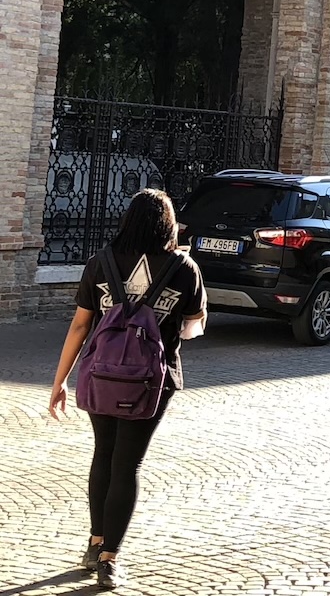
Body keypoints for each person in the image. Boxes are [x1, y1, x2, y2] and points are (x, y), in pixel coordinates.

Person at [49, 188, 207, 591]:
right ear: (168, 225)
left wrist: (60, 380)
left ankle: (95, 542)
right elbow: (194, 326)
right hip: (153, 380)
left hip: (101, 375)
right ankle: (110, 559)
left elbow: (80, 325)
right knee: (127, 464)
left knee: (103, 454)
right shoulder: (184, 267)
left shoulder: (100, 262)